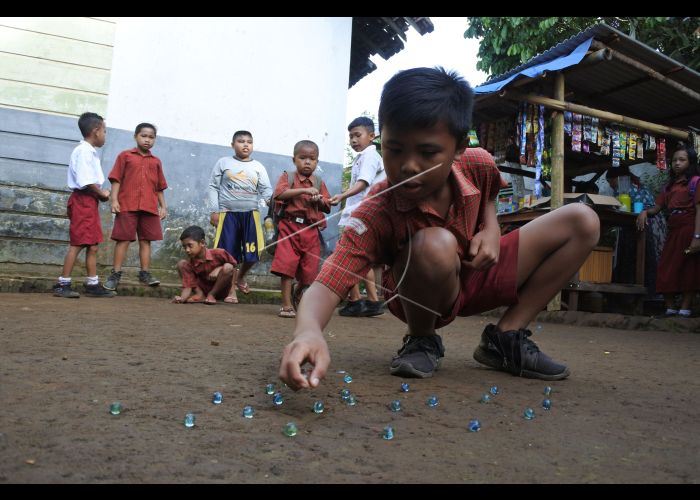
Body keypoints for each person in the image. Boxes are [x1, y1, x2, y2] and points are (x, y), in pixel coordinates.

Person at [279, 66, 601, 391]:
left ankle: (505, 337)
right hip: (421, 296)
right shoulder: (376, 211)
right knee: (434, 244)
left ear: (459, 146)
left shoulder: (479, 163)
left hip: (478, 272)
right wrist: (308, 330)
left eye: (428, 152)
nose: (408, 165)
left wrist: (490, 230)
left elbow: (488, 195)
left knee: (582, 220)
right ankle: (422, 339)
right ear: (381, 142)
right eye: (395, 149)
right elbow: (330, 281)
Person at [53, 112, 114, 298]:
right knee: (78, 243)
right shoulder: (84, 151)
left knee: (93, 244)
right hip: (84, 200)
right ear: (96, 131)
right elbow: (86, 181)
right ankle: (63, 284)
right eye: (104, 131)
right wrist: (102, 194)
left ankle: (92, 283)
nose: (105, 134)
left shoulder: (88, 151)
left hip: (88, 202)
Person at [330, 116, 386, 317]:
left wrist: (342, 195)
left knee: (348, 255)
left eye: (357, 135)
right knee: (357, 257)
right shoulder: (362, 157)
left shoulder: (370, 157)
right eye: (351, 136)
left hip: (362, 214)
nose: (353, 140)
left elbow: (363, 183)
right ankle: (368, 300)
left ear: (371, 136)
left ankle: (360, 300)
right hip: (357, 213)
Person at [636, 144, 700, 317]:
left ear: (691, 162)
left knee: (689, 268)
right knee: (666, 267)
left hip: (689, 229)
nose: (677, 163)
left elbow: (699, 211)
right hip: (673, 231)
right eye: (674, 160)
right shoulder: (668, 187)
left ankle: (685, 308)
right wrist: (644, 212)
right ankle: (670, 307)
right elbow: (657, 208)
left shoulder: (695, 182)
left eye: (682, 160)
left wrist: (697, 236)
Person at [103, 123, 168, 291]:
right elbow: (116, 179)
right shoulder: (125, 156)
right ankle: (115, 274)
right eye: (143, 136)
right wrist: (114, 200)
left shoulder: (156, 162)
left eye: (151, 137)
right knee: (123, 239)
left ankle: (145, 273)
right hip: (127, 204)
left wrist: (163, 206)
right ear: (135, 136)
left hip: (149, 206)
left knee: (146, 241)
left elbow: (159, 186)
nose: (147, 140)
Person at [207, 130, 273, 296]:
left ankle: (239, 277)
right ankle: (231, 291)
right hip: (227, 215)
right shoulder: (223, 162)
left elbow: (266, 190)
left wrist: (273, 204)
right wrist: (215, 211)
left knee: (254, 253)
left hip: (250, 215)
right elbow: (213, 187)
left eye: (249, 142)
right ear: (232, 145)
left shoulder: (258, 166)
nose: (245, 144)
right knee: (229, 254)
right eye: (241, 141)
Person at [270, 140, 331, 318]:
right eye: (302, 158)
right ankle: (286, 305)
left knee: (309, 271)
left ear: (317, 161)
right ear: (294, 159)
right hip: (289, 228)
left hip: (311, 230)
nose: (307, 162)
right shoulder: (288, 177)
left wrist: (318, 199)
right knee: (286, 266)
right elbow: (279, 194)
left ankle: (298, 293)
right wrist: (303, 191)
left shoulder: (319, 182)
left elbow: (327, 205)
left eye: (312, 159)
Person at [606, 166, 668, 298]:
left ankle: (633, 296)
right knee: (650, 260)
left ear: (616, 179)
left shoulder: (623, 187)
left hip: (642, 224)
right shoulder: (637, 184)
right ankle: (651, 294)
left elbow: (622, 211)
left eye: (609, 181)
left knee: (636, 259)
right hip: (655, 224)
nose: (610, 185)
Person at [172, 225, 239, 305]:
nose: (187, 250)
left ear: (202, 243)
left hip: (221, 289)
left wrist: (219, 269)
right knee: (181, 264)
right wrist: (181, 299)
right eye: (184, 247)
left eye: (190, 245)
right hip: (203, 289)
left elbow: (234, 266)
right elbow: (188, 285)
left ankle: (212, 295)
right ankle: (200, 295)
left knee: (228, 267)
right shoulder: (190, 263)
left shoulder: (219, 253)